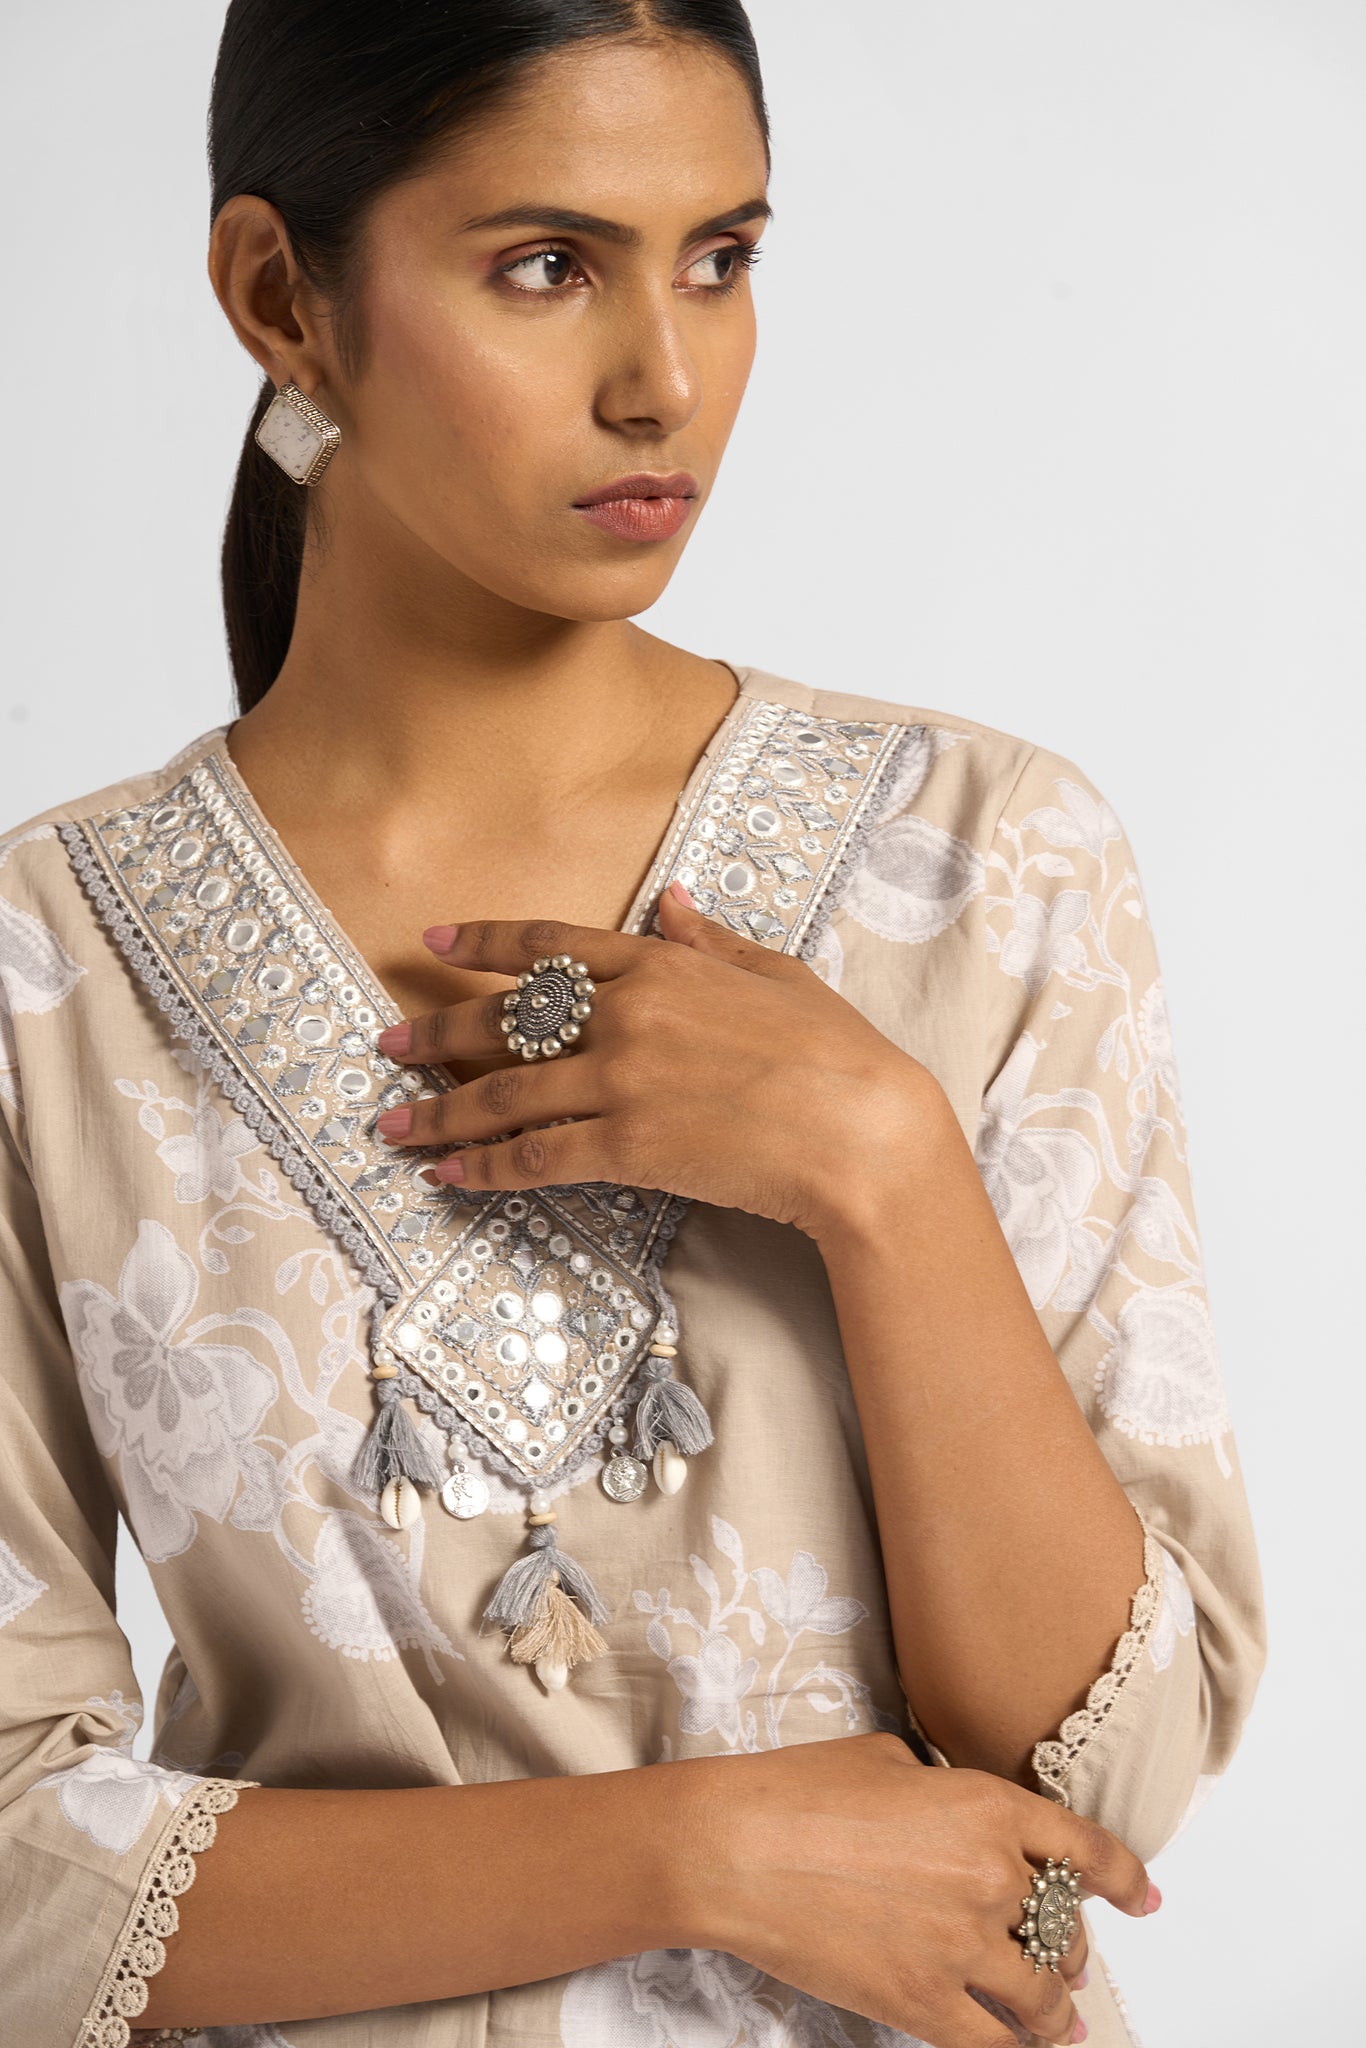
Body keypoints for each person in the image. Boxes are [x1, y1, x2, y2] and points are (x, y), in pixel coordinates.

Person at [0, 4, 1266, 2046]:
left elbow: (1102, 1791)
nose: (662, 380)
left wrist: (882, 1173)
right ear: (280, 298)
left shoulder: (983, 864)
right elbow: (13, 1877)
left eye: (720, 258)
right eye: (544, 266)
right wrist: (699, 1852)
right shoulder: (43, 970)